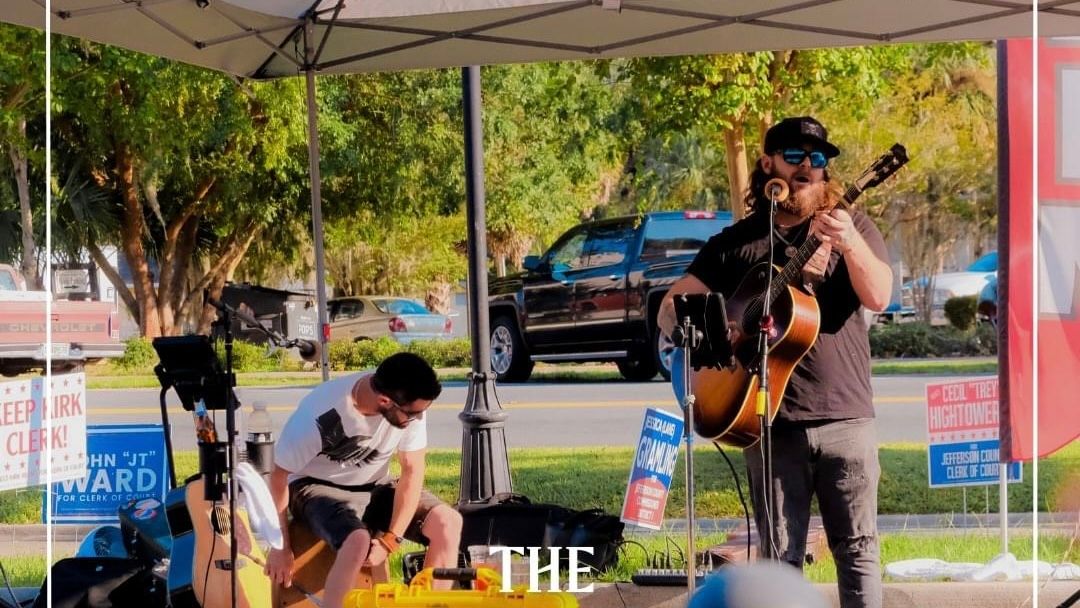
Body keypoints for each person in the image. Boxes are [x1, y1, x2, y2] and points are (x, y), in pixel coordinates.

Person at [658, 116, 892, 608]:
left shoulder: (850, 228)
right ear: (768, 164)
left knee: (857, 548)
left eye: (819, 158)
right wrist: (728, 334)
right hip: (768, 421)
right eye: (795, 154)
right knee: (778, 557)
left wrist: (849, 245)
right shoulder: (734, 244)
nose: (808, 165)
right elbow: (669, 310)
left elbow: (880, 295)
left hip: (846, 415)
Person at [265, 352, 463, 608]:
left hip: (375, 484)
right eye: (413, 414)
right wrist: (280, 546)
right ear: (384, 400)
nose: (418, 419)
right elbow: (278, 477)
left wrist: (391, 540)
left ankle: (433, 605)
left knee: (449, 522)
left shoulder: (409, 405)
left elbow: (412, 471)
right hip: (316, 486)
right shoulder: (318, 415)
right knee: (357, 542)